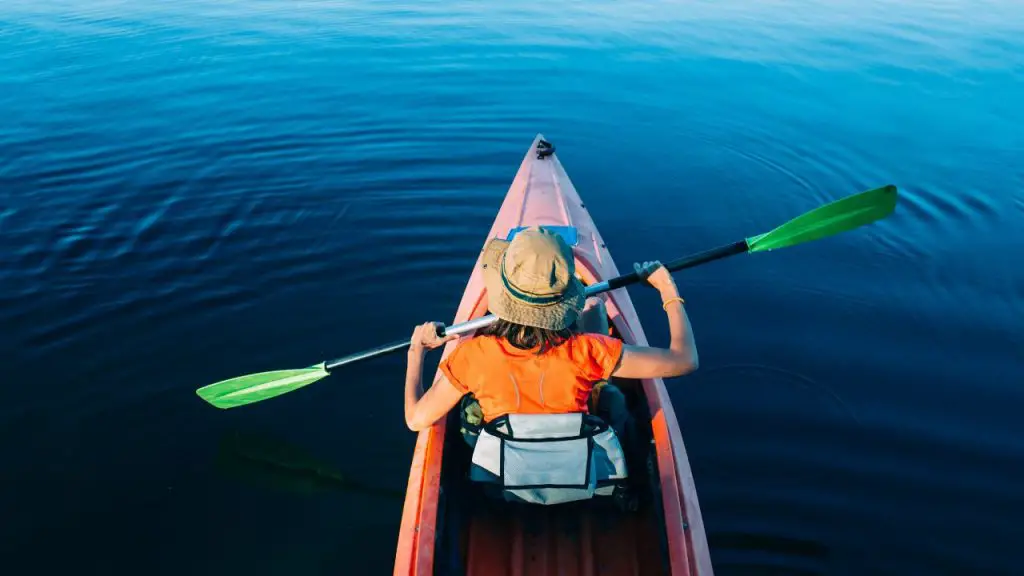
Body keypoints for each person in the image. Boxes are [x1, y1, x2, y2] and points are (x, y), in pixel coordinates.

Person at [403, 227, 698, 453]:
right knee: (611, 391)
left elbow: (416, 419)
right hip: (580, 472)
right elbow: (684, 360)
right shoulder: (591, 351)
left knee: (470, 407)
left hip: (504, 478)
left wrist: (417, 351)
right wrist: (666, 289)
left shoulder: (472, 356)